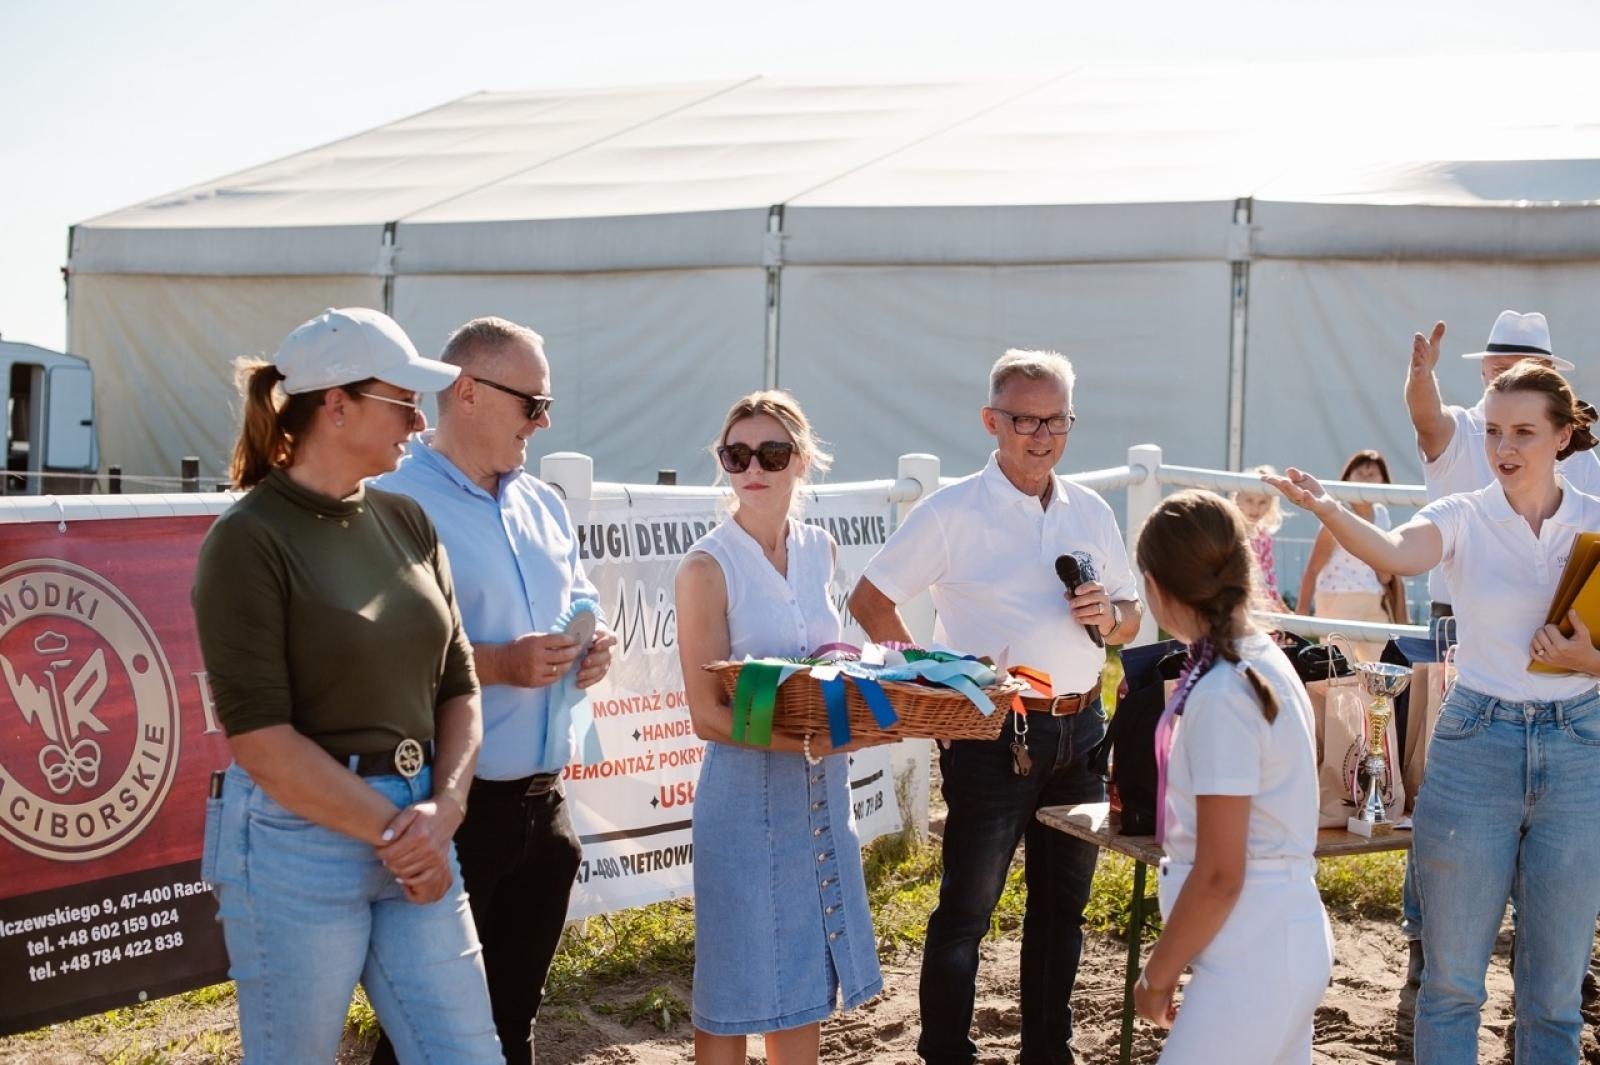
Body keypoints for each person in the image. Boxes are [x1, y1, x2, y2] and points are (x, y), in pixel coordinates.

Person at [192, 307, 502, 1064]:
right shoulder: (246, 541)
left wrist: (444, 809)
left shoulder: (408, 520)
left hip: (418, 827)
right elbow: (262, 742)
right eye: (403, 401)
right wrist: (407, 831)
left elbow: (459, 685)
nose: (420, 421)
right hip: (295, 848)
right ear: (337, 404)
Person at [1268, 361, 1600, 1064]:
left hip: (1580, 748)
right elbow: (1395, 551)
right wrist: (1330, 508)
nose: (1504, 448)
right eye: (1494, 432)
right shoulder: (1462, 514)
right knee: (1450, 985)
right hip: (1476, 741)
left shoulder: (1596, 523)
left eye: (1525, 432)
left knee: (1555, 998)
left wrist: (1589, 662)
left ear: (1564, 436)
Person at [849, 348, 1143, 1065]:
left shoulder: (1091, 508)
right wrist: (935, 683)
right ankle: (946, 1051)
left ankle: (1050, 1048)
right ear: (991, 420)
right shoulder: (952, 511)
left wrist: (1111, 615)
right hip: (993, 732)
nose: (1041, 435)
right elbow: (869, 597)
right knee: (967, 910)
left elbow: (1134, 620)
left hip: (1083, 727)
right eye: (1024, 419)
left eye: (1056, 421)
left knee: (1063, 906)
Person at [369, 316, 616, 1065]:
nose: (541, 422)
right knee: (422, 1031)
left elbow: (579, 596)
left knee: (512, 1019)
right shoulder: (391, 500)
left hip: (543, 807)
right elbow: (376, 653)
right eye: (532, 403)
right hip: (452, 805)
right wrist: (501, 663)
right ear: (468, 392)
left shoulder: (539, 502)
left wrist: (591, 643)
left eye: (546, 407)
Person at [675, 390, 885, 1065]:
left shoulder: (820, 547)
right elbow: (707, 712)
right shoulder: (707, 566)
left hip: (821, 794)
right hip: (743, 801)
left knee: (805, 987)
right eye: (736, 455)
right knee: (731, 996)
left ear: (803, 461)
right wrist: (804, 739)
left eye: (771, 452)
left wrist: (861, 715)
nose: (752, 468)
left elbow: (827, 665)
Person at [1400, 309, 1600, 1003]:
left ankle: (1544, 947)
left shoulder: (1578, 471)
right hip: (1461, 621)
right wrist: (1418, 378)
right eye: (1493, 361)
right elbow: (1426, 420)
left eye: (1514, 360)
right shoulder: (1465, 428)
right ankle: (1425, 928)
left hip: (1564, 667)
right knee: (1440, 775)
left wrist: (1588, 655)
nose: (1497, 370)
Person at [1130, 490, 1331, 1063]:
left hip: (1256, 954)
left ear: (1157, 588)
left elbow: (1221, 872)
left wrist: (1157, 972)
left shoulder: (1223, 691)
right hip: (1265, 944)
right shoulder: (1256, 657)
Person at [1295, 449, 1408, 659]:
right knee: (1338, 674)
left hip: (1375, 600)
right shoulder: (1336, 515)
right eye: (1360, 474)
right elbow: (1312, 569)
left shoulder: (1382, 514)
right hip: (1338, 599)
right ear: (1347, 477)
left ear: (1384, 481)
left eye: (1372, 474)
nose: (1366, 479)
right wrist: (1300, 617)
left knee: (1381, 671)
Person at [1232, 465, 1289, 613]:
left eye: (1262, 502)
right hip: (1234, 601)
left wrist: (1280, 608)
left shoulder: (1263, 536)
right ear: (1237, 498)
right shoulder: (1231, 530)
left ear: (1271, 504)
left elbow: (1268, 577)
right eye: (1249, 500)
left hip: (1259, 605)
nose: (1255, 508)